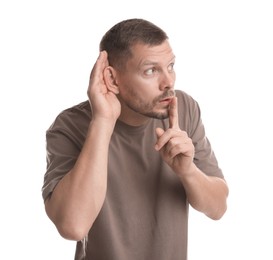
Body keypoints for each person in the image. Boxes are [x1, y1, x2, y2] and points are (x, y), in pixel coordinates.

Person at [42, 18, 229, 260]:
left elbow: (218, 208)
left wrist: (188, 171)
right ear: (112, 78)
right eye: (151, 70)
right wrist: (103, 121)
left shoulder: (184, 108)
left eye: (170, 66)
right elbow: (73, 226)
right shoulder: (70, 126)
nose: (168, 82)